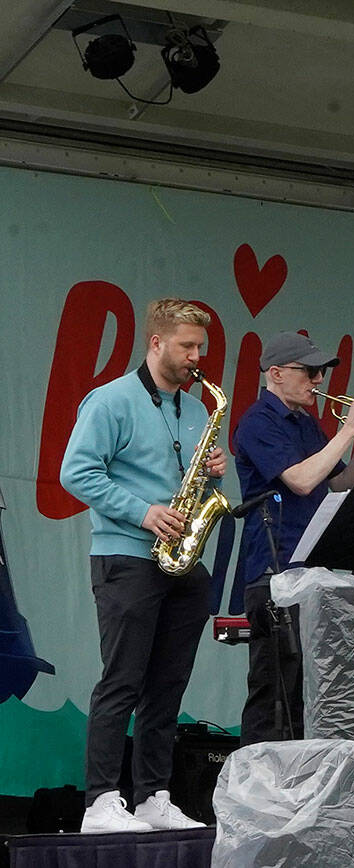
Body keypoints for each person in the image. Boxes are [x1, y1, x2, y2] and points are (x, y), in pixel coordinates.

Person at [61, 298, 227, 832]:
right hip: (127, 556)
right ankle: (100, 802)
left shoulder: (197, 409)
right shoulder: (110, 400)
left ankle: (154, 794)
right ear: (156, 342)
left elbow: (193, 482)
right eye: (187, 346)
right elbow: (76, 472)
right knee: (122, 682)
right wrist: (143, 512)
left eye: (200, 347)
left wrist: (215, 473)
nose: (196, 356)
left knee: (168, 686)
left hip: (181, 560)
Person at [232, 331, 354, 745]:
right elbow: (300, 481)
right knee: (272, 690)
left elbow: (340, 484)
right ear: (276, 374)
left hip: (312, 571)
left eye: (321, 372)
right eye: (310, 371)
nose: (319, 380)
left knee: (309, 694)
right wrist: (349, 428)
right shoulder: (258, 421)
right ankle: (257, 777)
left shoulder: (306, 423)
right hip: (275, 570)